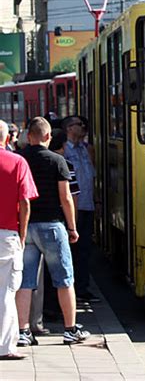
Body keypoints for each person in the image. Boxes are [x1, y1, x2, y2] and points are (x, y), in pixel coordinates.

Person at [15, 117, 90, 346]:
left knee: (26, 281)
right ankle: (70, 330)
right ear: (48, 137)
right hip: (53, 226)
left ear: (29, 137)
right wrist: (72, 227)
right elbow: (66, 198)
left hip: (27, 227)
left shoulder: (21, 160)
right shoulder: (58, 161)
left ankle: (23, 332)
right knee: (65, 279)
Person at [0, 120, 38, 360]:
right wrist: (22, 234)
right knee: (6, 293)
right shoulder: (17, 162)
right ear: (6, 138)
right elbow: (25, 202)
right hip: (7, 234)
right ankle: (5, 347)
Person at [63, 116, 99, 303]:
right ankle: (72, 289)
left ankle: (82, 288)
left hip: (87, 205)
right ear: (69, 128)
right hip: (72, 208)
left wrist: (96, 201)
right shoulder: (64, 151)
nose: (84, 127)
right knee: (72, 250)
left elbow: (91, 177)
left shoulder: (86, 149)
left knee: (85, 250)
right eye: (79, 125)